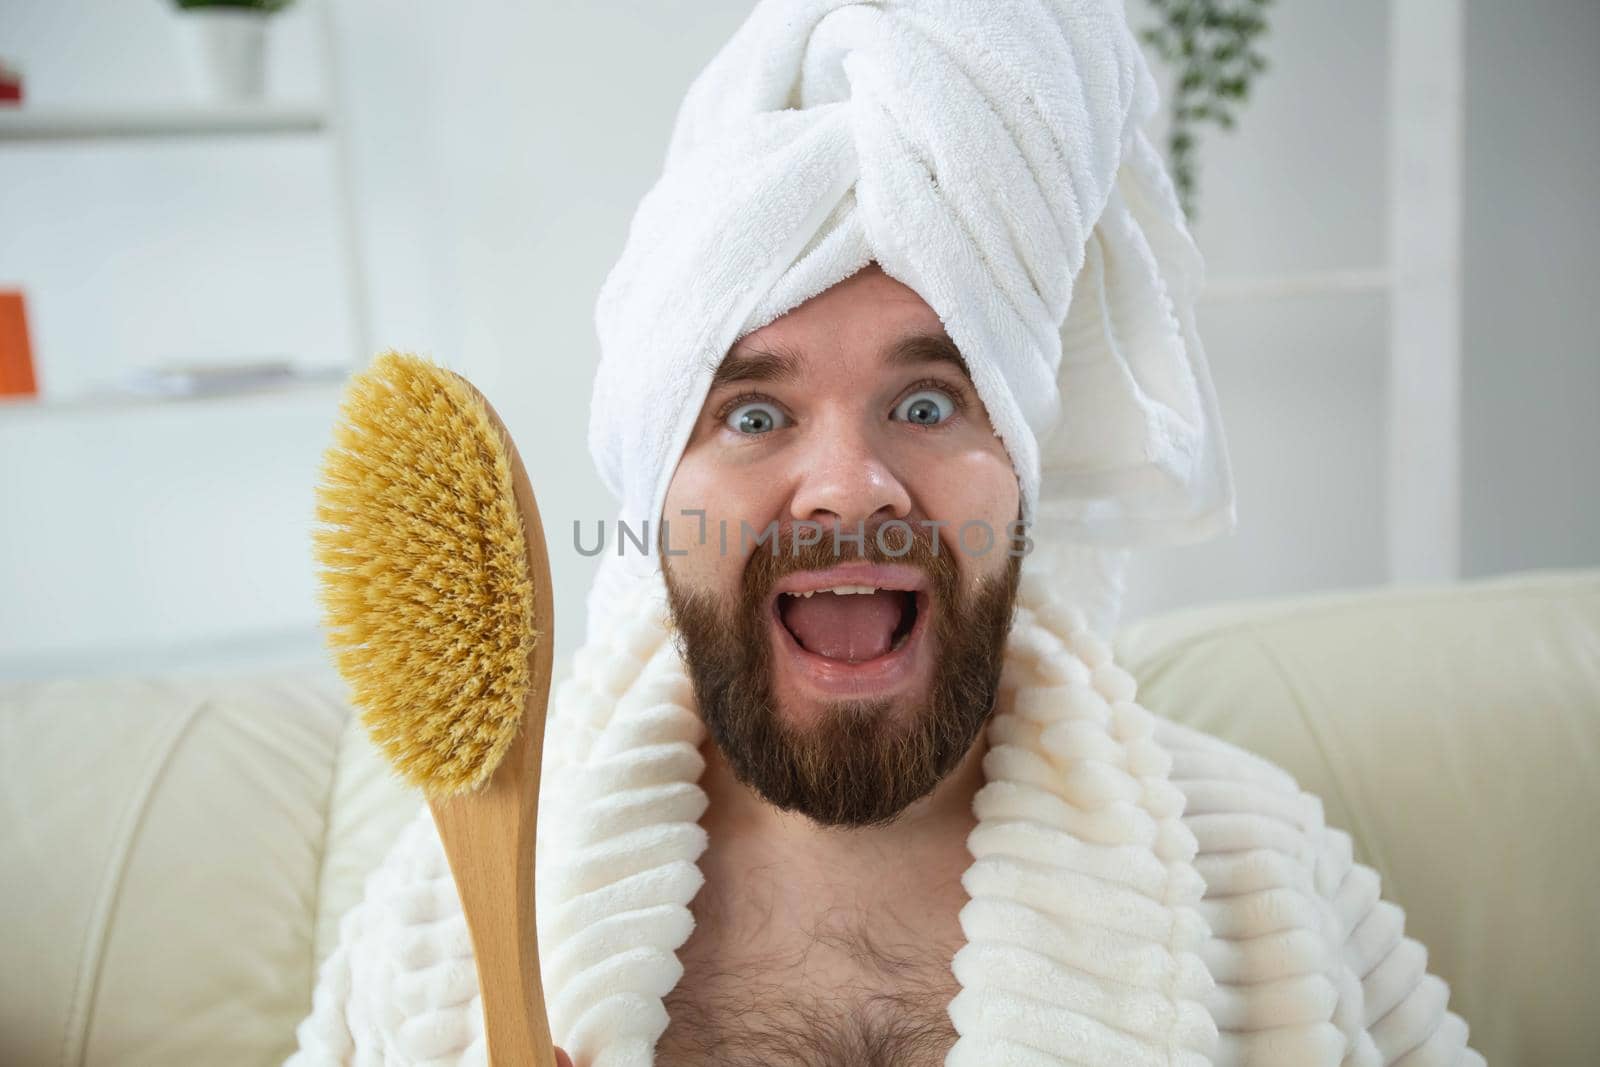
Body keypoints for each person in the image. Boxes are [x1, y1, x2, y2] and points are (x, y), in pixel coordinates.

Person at [288, 2, 1485, 1065]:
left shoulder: (1256, 873)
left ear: (1020, 470)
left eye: (927, 403)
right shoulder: (452, 915)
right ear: (656, 495)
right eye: (753, 414)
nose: (849, 489)